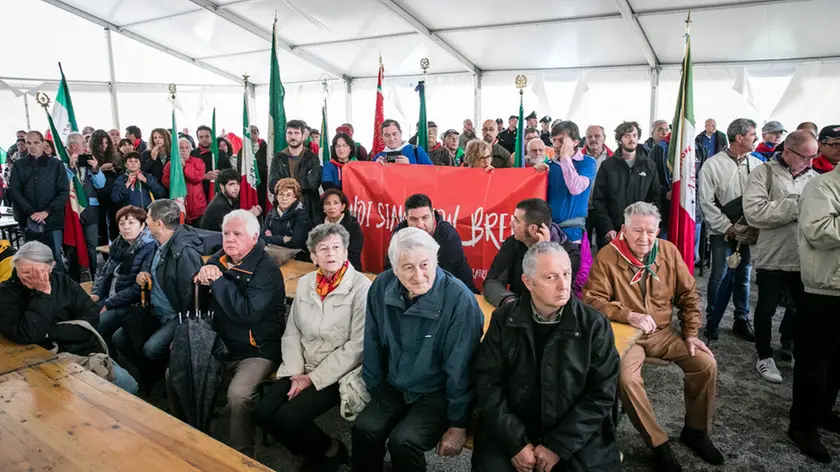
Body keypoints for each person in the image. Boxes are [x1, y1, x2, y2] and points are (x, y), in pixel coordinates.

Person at [584, 202, 723, 471]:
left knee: (705, 364)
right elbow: (592, 300)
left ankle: (696, 431)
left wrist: (691, 333)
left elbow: (689, 295)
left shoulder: (668, 252)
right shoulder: (607, 256)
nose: (644, 238)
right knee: (625, 377)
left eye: (650, 231)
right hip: (627, 335)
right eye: (637, 231)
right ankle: (657, 442)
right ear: (624, 230)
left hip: (663, 332)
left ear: (658, 230)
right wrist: (628, 315)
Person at [473, 241, 621, 472]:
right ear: (528, 282)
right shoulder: (504, 320)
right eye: (551, 278)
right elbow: (487, 383)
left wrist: (558, 446)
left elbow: (602, 394)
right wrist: (516, 443)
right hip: (512, 426)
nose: (564, 285)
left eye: (566, 274)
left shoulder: (593, 325)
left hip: (575, 432)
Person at [352, 227, 483, 472]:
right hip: (394, 383)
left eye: (425, 264)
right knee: (364, 429)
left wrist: (458, 423)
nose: (419, 275)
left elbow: (461, 369)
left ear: (436, 260)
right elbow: (371, 341)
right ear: (394, 267)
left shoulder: (459, 300)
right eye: (408, 267)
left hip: (437, 392)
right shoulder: (382, 286)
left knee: (404, 442)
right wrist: (375, 388)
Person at [253, 223, 370, 471]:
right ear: (314, 257)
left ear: (346, 251)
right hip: (301, 365)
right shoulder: (306, 283)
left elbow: (357, 347)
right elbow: (292, 330)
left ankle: (325, 455)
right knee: (262, 413)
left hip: (338, 372)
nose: (330, 254)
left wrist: (312, 378)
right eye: (323, 249)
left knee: (288, 418)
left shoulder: (361, 288)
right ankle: (326, 449)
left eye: (336, 247)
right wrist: (296, 373)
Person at [172, 209, 285, 457]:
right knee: (176, 371)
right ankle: (191, 431)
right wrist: (199, 281)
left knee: (238, 395)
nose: (229, 239)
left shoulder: (267, 269)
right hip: (220, 343)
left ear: (254, 237)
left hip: (257, 348)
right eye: (225, 233)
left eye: (237, 234)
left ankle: (240, 456)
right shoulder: (218, 259)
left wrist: (219, 282)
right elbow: (193, 306)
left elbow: (247, 314)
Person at [0, 241, 138, 394]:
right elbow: (27, 333)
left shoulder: (63, 281)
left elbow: (91, 316)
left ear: (51, 267)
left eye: (37, 272)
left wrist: (49, 331)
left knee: (129, 384)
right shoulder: (6, 293)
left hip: (82, 350)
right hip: (41, 360)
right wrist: (44, 293)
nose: (31, 278)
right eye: (24, 272)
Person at [743, 130, 818, 383]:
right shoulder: (763, 173)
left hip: (803, 256)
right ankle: (764, 355)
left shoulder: (815, 178)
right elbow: (755, 212)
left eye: (813, 157)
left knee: (802, 308)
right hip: (772, 254)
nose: (810, 162)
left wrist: (786, 207)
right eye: (805, 157)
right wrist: (795, 205)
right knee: (766, 307)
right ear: (787, 151)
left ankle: (796, 348)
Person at [788, 148, 840, 464]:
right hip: (825, 289)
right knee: (814, 363)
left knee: (837, 363)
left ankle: (822, 412)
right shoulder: (822, 186)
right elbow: (818, 231)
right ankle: (802, 426)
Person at [120, 199, 203, 391]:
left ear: (159, 224)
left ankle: (162, 382)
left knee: (151, 349)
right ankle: (144, 382)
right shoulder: (159, 244)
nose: (145, 221)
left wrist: (183, 334)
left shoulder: (184, 253)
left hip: (176, 316)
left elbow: (192, 300)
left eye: (148, 218)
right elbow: (154, 270)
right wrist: (143, 274)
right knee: (121, 337)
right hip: (155, 310)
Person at [698, 118, 763, 342]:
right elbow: (706, 202)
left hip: (748, 230)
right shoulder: (712, 165)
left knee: (744, 275)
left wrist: (748, 226)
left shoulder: (757, 165)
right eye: (753, 134)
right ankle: (712, 319)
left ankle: (741, 319)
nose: (756, 138)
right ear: (739, 137)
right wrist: (727, 227)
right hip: (722, 231)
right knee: (719, 274)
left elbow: (761, 198)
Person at [484, 198, 581, 307]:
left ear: (532, 229)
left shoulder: (570, 254)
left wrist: (544, 255)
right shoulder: (513, 244)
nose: (511, 224)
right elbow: (492, 282)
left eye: (517, 220)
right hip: (518, 311)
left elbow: (552, 294)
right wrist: (510, 302)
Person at [91, 206, 156, 351]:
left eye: (131, 223)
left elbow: (137, 287)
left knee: (97, 325)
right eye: (122, 224)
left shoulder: (149, 247)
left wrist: (108, 303)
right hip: (110, 295)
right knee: (82, 316)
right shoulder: (118, 244)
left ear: (142, 225)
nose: (126, 227)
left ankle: (108, 364)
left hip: (129, 303)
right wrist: (96, 292)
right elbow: (104, 272)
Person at [385, 193, 478, 293]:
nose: (420, 225)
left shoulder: (447, 236)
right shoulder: (399, 235)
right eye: (413, 219)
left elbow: (452, 275)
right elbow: (391, 269)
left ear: (433, 215)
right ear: (406, 219)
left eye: (425, 218)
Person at [591, 121, 661, 249]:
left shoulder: (649, 165)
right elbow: (599, 200)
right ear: (619, 139)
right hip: (612, 232)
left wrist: (647, 228)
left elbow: (655, 199)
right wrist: (608, 228)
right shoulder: (607, 166)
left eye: (634, 135)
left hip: (640, 233)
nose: (632, 139)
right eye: (627, 136)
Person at [8, 131, 68, 273]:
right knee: (32, 258)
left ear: (42, 143)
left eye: (36, 142)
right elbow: (14, 191)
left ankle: (59, 291)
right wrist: (31, 212)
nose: (32, 146)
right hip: (28, 219)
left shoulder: (56, 165)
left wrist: (46, 212)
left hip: (52, 219)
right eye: (29, 143)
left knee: (55, 257)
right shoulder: (19, 165)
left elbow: (63, 191)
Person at [65, 132, 106, 276]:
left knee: (91, 245)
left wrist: (95, 169)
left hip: (91, 211)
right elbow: (62, 185)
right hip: (72, 211)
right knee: (73, 245)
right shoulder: (62, 163)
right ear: (73, 146)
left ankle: (94, 274)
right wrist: (70, 168)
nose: (86, 147)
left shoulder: (88, 162)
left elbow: (101, 184)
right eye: (84, 144)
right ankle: (76, 277)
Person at [267, 120, 322, 223]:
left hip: (309, 210)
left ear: (303, 136)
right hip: (284, 211)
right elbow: (273, 184)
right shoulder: (278, 158)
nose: (293, 136)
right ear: (286, 135)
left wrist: (285, 185)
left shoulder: (312, 157)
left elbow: (313, 182)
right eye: (290, 133)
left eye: (296, 133)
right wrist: (297, 185)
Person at [262, 178, 312, 256]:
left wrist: (271, 238)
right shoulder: (271, 213)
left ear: (295, 197)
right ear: (277, 196)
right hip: (272, 253)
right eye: (281, 194)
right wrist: (283, 239)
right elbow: (261, 238)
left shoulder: (301, 215)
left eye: (288, 195)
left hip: (296, 256)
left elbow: (297, 243)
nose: (284, 198)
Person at [163, 138, 207, 224]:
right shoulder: (170, 164)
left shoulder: (198, 162)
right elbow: (166, 182)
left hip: (197, 208)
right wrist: (176, 170)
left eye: (187, 148)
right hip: (179, 206)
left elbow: (197, 178)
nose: (184, 150)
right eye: (181, 147)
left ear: (191, 149)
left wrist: (185, 166)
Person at [90, 129, 123, 243]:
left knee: (115, 222)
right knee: (101, 224)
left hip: (112, 192)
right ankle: (103, 247)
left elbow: (121, 173)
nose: (104, 146)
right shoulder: (91, 157)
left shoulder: (115, 155)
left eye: (106, 142)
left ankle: (116, 244)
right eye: (101, 143)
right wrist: (100, 169)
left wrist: (115, 170)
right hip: (97, 193)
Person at [320, 189, 363, 271]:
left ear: (343, 206)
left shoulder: (352, 226)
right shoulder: (318, 225)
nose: (332, 207)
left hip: (348, 269)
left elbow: (354, 256)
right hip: (322, 269)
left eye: (336, 203)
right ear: (323, 208)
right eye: (327, 204)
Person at [192, 125, 233, 201]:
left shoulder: (221, 153)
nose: (204, 139)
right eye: (201, 137)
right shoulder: (193, 154)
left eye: (207, 136)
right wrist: (204, 176)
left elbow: (231, 173)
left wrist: (221, 173)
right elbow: (189, 176)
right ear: (197, 138)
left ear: (211, 137)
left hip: (219, 194)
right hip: (198, 196)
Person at [242, 125, 269, 208]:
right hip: (250, 182)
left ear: (258, 133)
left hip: (263, 182)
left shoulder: (265, 148)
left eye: (254, 133)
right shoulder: (243, 150)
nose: (252, 136)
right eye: (250, 133)